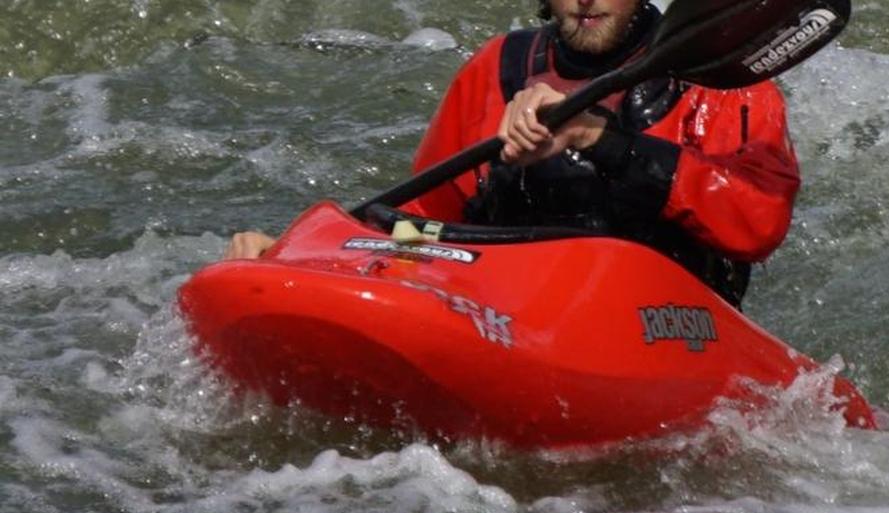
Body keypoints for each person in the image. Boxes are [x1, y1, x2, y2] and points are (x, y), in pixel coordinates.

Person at [225, 0, 800, 307]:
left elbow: (757, 224)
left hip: (668, 321)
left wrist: (597, 137)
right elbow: (422, 229)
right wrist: (301, 261)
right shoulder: (497, 68)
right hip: (518, 313)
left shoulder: (719, 78)